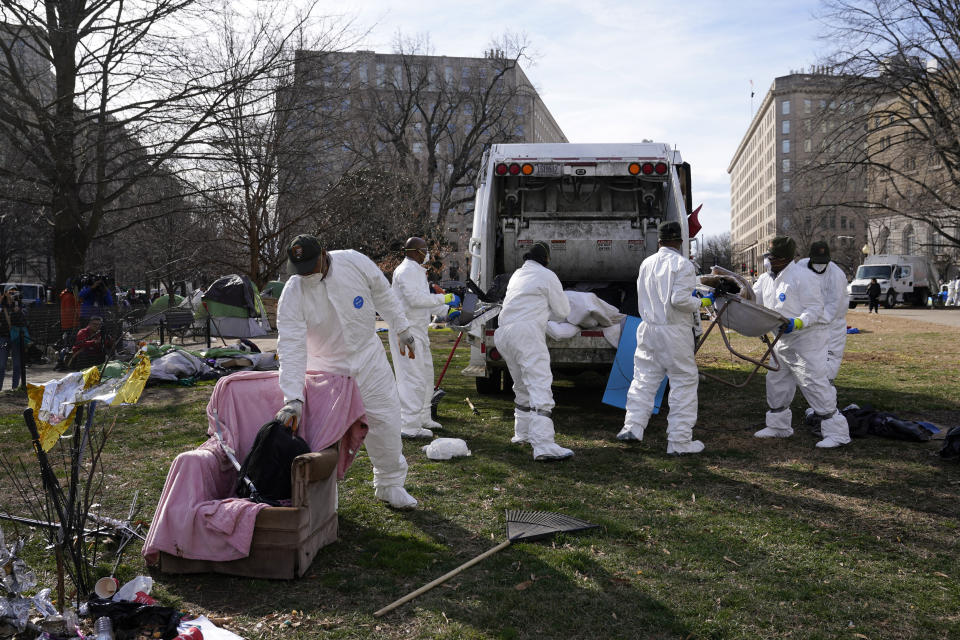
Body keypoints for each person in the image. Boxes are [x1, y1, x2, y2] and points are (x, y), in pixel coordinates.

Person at [275, 234, 419, 509]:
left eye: (310, 266)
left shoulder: (354, 262)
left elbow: (383, 294)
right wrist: (292, 398)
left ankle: (390, 484)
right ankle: (323, 495)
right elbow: (291, 346)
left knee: (386, 419)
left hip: (368, 359)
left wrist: (402, 328)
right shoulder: (293, 292)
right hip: (326, 369)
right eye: (300, 269)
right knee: (325, 436)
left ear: (323, 254)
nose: (306, 274)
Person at [617, 221, 708, 454]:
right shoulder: (683, 265)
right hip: (673, 330)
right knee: (683, 381)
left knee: (644, 378)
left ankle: (633, 427)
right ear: (680, 241)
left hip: (648, 328)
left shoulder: (646, 263)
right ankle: (679, 442)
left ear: (659, 240)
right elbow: (679, 301)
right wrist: (703, 302)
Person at [753, 236, 850, 448]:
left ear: (788, 258)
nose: (772, 260)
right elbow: (754, 298)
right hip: (781, 340)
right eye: (770, 256)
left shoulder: (803, 277)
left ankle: (837, 433)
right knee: (776, 381)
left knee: (813, 383)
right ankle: (779, 426)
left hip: (807, 340)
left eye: (776, 257)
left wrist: (797, 322)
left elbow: (816, 309)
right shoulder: (766, 278)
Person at [493, 241, 574, 461]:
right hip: (526, 334)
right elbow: (563, 311)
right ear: (546, 259)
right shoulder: (547, 275)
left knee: (521, 385)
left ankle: (523, 434)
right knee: (539, 385)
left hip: (504, 334)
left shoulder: (518, 275)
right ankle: (544, 445)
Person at [388, 237, 460, 439]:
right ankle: (409, 425)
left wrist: (447, 310)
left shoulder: (417, 271)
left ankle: (423, 417)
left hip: (418, 330)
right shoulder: (406, 271)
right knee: (413, 377)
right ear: (416, 251)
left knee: (426, 374)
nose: (427, 253)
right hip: (406, 332)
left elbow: (423, 302)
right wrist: (444, 298)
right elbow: (415, 299)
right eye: (425, 250)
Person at [797, 242, 848, 381]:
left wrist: (806, 320)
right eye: (817, 262)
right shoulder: (800, 267)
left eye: (823, 263)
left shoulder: (836, 275)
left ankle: (827, 390)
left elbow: (833, 307)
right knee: (808, 361)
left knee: (829, 362)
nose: (820, 266)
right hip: (809, 324)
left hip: (832, 326)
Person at [0, 286, 26, 391]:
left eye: (14, 292)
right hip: (3, 337)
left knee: (17, 365)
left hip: (15, 337)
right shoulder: (1, 305)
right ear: (5, 293)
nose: (12, 294)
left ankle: (15, 388)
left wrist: (18, 311)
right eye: (10, 292)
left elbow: (23, 321)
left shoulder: (20, 304)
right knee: (1, 365)